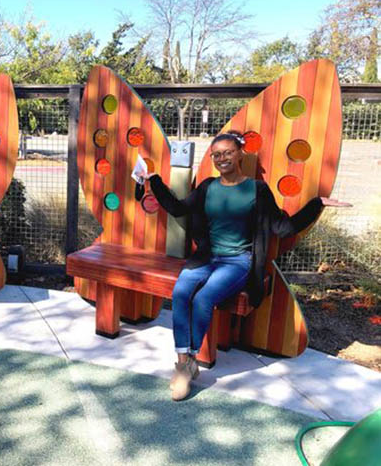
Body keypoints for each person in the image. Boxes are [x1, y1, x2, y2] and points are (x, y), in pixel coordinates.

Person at [135, 131, 351, 401]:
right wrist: (152, 180)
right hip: (206, 257)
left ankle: (186, 363)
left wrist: (316, 204)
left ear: (240, 154)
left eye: (227, 152)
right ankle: (184, 362)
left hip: (237, 262)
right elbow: (178, 208)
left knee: (203, 299)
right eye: (216, 155)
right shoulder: (207, 187)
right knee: (180, 293)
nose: (221, 158)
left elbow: (281, 227)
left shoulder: (256, 190)